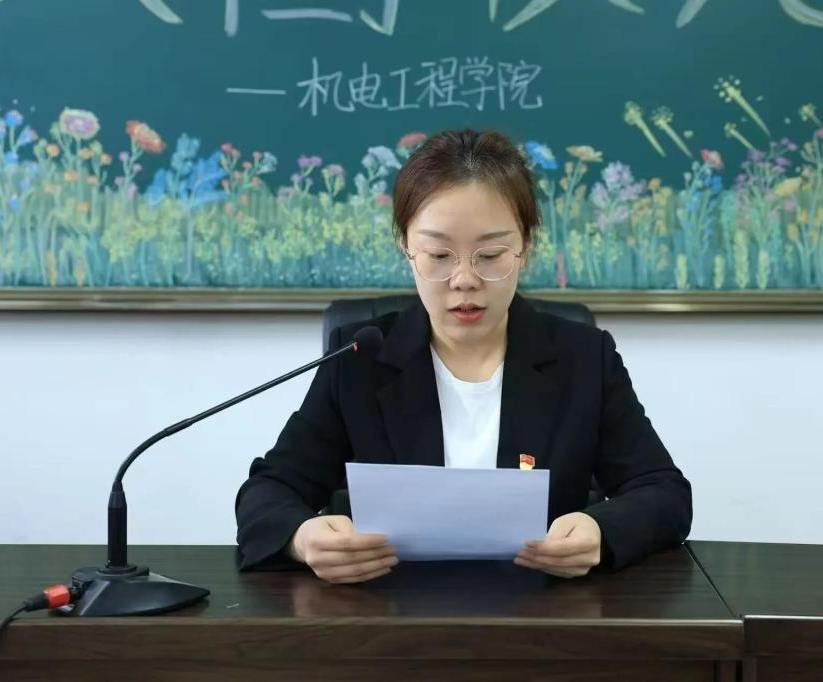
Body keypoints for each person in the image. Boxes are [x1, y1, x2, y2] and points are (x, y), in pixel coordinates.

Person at [235, 129, 692, 582]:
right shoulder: (359, 359)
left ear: (525, 248)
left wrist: (601, 531)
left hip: (545, 611)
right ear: (407, 248)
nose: (464, 279)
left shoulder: (584, 358)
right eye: (439, 255)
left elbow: (664, 492)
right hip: (388, 613)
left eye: (490, 255)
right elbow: (269, 491)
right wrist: (302, 538)